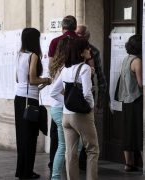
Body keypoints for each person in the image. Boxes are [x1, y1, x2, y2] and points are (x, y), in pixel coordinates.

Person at [50, 38, 99, 180]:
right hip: (81, 116)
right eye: (87, 48)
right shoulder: (85, 68)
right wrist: (89, 107)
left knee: (70, 153)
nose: (90, 50)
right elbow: (87, 93)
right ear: (81, 52)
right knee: (92, 150)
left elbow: (54, 92)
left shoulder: (65, 69)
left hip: (66, 116)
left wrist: (66, 103)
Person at [14, 27, 52, 179]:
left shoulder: (19, 54)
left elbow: (19, 79)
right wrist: (47, 80)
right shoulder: (34, 55)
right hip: (30, 101)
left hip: (19, 99)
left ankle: (21, 171)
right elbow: (32, 79)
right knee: (30, 136)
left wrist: (41, 85)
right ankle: (27, 172)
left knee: (22, 137)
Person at [47, 15, 79, 174]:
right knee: (76, 145)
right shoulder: (79, 44)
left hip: (58, 106)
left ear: (62, 27)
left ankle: (56, 174)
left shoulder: (54, 42)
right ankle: (68, 173)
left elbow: (50, 68)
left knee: (61, 143)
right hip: (70, 107)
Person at [75, 24, 107, 170]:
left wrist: (99, 100)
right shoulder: (71, 50)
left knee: (87, 130)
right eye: (78, 34)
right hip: (74, 95)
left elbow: (100, 76)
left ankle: (82, 160)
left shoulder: (94, 52)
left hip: (87, 95)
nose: (79, 37)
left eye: (82, 35)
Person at [116, 35, 143, 172]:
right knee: (139, 132)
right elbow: (140, 83)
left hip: (126, 101)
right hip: (136, 100)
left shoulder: (126, 59)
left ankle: (128, 163)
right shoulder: (137, 61)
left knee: (127, 131)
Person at [48, 37, 73, 180]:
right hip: (61, 109)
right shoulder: (66, 67)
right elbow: (59, 91)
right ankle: (57, 176)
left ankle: (56, 176)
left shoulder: (57, 64)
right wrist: (67, 102)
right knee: (66, 146)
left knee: (63, 145)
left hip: (56, 109)